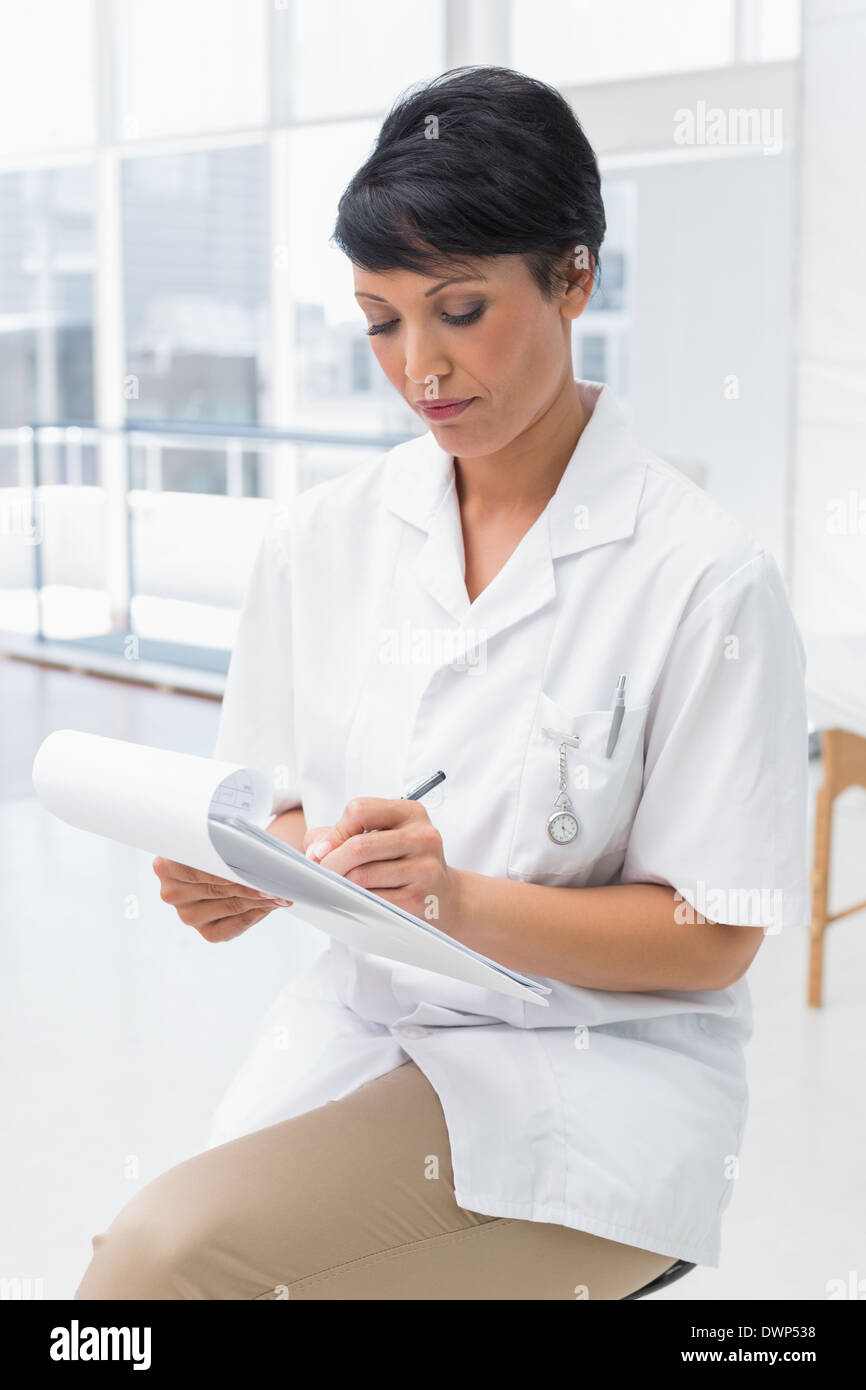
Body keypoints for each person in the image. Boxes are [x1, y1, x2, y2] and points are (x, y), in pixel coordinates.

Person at [75, 65, 810, 1301]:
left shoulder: (703, 578)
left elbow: (715, 934)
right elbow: (286, 811)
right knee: (161, 1257)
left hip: (602, 1084)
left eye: (460, 309)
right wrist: (253, 875)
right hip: (367, 1044)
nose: (419, 366)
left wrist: (450, 898)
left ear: (574, 277)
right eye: (379, 320)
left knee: (162, 1272)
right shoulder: (322, 541)